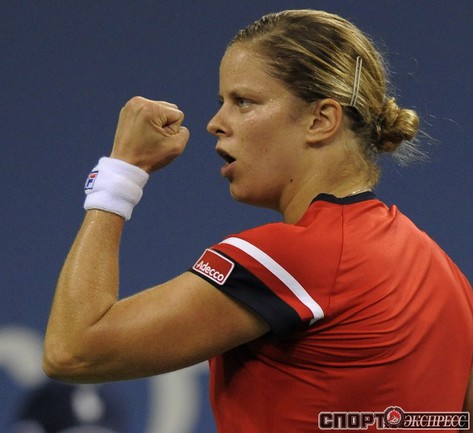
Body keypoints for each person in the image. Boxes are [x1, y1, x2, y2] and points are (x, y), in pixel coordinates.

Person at [43, 9, 473, 432]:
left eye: (243, 102)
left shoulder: (296, 255)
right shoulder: (446, 276)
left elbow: (74, 350)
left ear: (321, 120)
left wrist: (122, 171)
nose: (215, 123)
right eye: (222, 103)